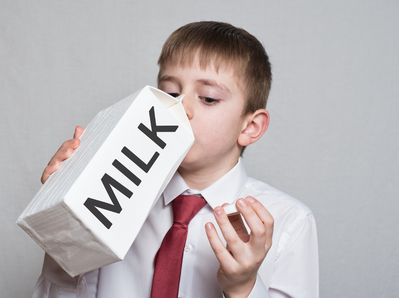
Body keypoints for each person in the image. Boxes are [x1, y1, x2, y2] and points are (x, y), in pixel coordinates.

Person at [33, 21, 319, 298]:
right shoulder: (112, 192)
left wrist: (243, 287)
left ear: (250, 127)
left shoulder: (290, 222)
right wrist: (63, 218)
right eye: (170, 93)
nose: (181, 107)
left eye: (208, 98)